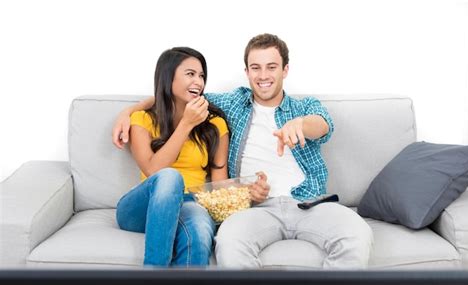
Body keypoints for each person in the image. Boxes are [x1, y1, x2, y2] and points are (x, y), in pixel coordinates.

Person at [113, 34, 373, 269]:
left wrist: (301, 124)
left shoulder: (304, 106)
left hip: (310, 203)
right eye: (256, 68)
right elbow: (175, 95)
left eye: (271, 67)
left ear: (285, 70)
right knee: (228, 242)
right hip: (256, 210)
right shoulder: (232, 104)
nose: (263, 76)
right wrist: (128, 111)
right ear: (246, 72)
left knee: (357, 236)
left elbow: (324, 124)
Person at [115, 47, 229, 267]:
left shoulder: (215, 124)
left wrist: (244, 195)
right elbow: (153, 171)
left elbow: (220, 185)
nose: (198, 81)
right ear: (168, 77)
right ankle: (153, 281)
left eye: (202, 75)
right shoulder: (142, 119)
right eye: (190, 74)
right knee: (169, 177)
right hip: (145, 206)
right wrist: (186, 124)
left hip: (192, 203)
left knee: (199, 233)